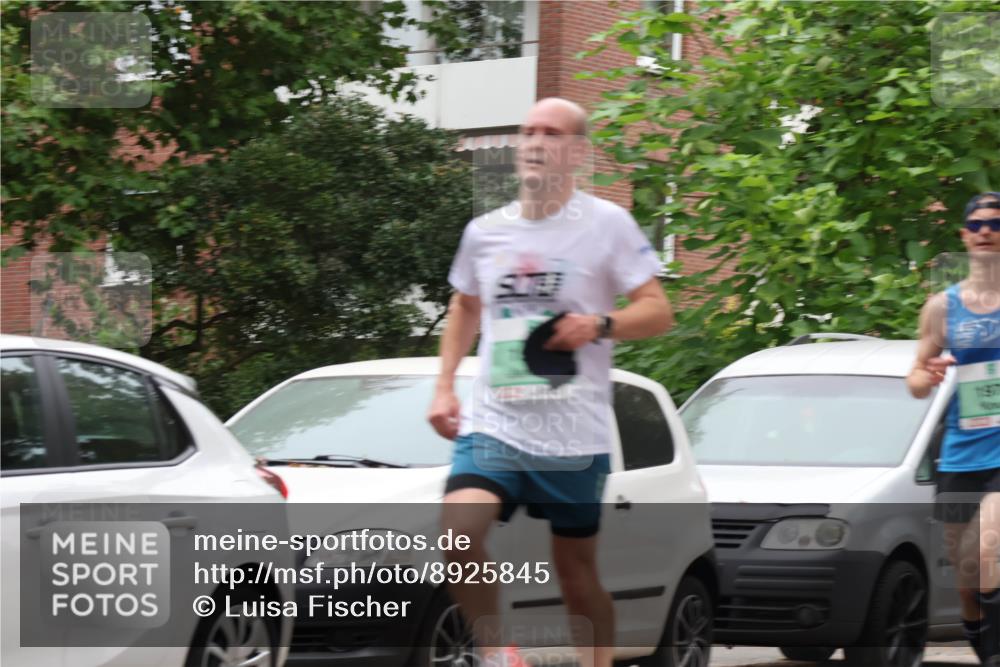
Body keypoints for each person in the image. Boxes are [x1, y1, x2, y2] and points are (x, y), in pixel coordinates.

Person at [427, 97, 673, 667]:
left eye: (552, 133)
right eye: (528, 131)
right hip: (496, 422)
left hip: (572, 432)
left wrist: (599, 324)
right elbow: (464, 307)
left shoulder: (608, 225)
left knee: (576, 573)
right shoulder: (484, 232)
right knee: (459, 535)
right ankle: (499, 654)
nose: (535, 142)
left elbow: (659, 311)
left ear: (578, 153)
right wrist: (443, 387)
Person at [907, 192, 1000, 665]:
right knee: (966, 577)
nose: (987, 230)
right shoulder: (942, 307)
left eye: (997, 225)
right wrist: (929, 374)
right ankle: (985, 647)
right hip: (961, 452)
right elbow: (916, 380)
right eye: (977, 224)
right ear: (964, 235)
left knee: (989, 551)